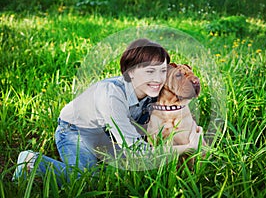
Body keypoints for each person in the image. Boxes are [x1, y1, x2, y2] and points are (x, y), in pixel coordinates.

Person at [12, 38, 205, 185]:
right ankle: (32, 161)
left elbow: (175, 102)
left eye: (162, 71)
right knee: (88, 181)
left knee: (122, 172)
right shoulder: (111, 96)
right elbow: (138, 153)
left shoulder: (153, 89)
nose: (157, 79)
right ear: (130, 72)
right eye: (149, 71)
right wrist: (187, 148)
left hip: (110, 136)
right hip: (76, 132)